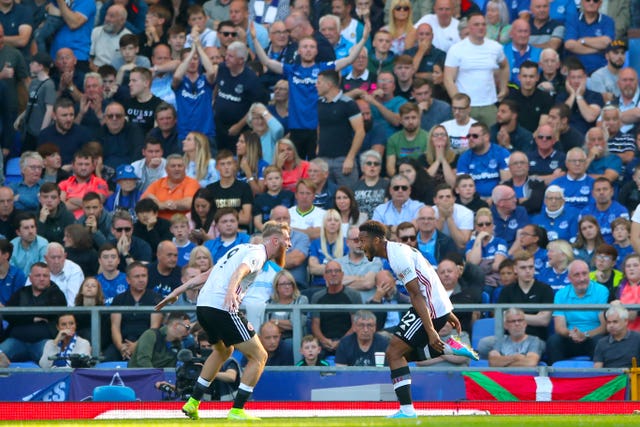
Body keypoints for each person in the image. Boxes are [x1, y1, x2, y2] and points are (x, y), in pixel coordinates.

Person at [154, 221, 291, 421]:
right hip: (222, 307)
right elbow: (241, 271)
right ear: (276, 240)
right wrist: (230, 292)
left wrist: (178, 291)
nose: (289, 244)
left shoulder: (239, 248)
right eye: (287, 240)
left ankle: (193, 402)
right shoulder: (258, 254)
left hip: (203, 307)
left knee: (224, 351)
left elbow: (209, 273)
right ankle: (237, 410)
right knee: (260, 356)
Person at [358, 220, 476, 418]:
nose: (360, 245)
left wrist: (432, 328)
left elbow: (416, 294)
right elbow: (430, 277)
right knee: (400, 354)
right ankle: (449, 348)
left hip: (428, 308)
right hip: (435, 307)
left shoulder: (398, 256)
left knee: (394, 353)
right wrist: (447, 311)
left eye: (362, 240)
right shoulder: (399, 251)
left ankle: (407, 410)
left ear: (377, 240)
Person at [444, 12, 509, 127]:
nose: (481, 27)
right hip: (468, 107)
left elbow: (504, 66)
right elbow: (448, 79)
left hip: (489, 105)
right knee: (465, 141)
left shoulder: (495, 47)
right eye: (476, 24)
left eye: (483, 24)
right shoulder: (456, 49)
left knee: (491, 140)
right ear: (469, 27)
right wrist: (459, 104)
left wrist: (503, 88)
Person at [0, 263, 67, 363]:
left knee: (54, 361)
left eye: (45, 276)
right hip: (17, 341)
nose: (41, 279)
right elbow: (9, 315)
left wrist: (23, 313)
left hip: (44, 342)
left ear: (49, 277)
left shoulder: (57, 294)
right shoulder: (21, 292)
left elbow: (52, 314)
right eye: (37, 275)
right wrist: (33, 318)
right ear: (30, 278)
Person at [547, 259, 608, 364]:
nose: (582, 279)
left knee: (599, 341)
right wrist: (571, 334)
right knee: (554, 341)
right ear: (569, 278)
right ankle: (557, 377)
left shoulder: (601, 291)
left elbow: (604, 327)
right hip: (571, 337)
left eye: (585, 274)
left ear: (589, 274)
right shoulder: (561, 294)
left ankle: (597, 377)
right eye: (577, 275)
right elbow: (559, 327)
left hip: (592, 337)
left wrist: (585, 335)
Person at [105, 262, 163, 362]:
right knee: (109, 357)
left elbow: (154, 327)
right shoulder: (119, 299)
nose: (141, 280)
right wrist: (121, 347)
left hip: (148, 342)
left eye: (144, 276)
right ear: (128, 280)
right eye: (137, 276)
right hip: (123, 343)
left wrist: (137, 345)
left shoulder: (156, 299)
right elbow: (115, 327)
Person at [456, 122, 511, 200]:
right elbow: (462, 186)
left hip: (498, 200)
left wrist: (493, 199)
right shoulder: (464, 157)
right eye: (468, 136)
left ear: (486, 137)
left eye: (475, 136)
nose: (470, 139)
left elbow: (506, 182)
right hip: (473, 200)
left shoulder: (501, 153)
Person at [141, 154, 200, 220]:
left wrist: (163, 204)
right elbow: (143, 202)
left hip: (183, 226)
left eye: (180, 166)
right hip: (159, 224)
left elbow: (189, 203)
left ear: (185, 168)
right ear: (166, 169)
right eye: (173, 166)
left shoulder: (192, 183)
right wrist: (161, 205)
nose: (177, 168)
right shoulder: (157, 183)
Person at [593, 302, 640, 368]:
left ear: (626, 321)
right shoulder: (601, 343)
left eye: (615, 322)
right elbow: (597, 370)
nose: (611, 325)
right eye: (609, 322)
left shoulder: (638, 339)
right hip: (610, 377)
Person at [266, 270, 308, 341]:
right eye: (283, 284)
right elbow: (266, 325)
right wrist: (285, 324)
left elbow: (297, 323)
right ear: (276, 287)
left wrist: (275, 322)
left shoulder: (301, 300)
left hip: (293, 339)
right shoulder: (270, 302)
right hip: (273, 339)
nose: (287, 287)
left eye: (289, 283)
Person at [353, 150, 389, 220]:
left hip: (381, 223)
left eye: (376, 164)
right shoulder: (355, 187)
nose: (372, 166)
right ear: (362, 167)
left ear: (380, 168)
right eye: (369, 163)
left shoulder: (387, 185)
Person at [10, 212, 48, 276]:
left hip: (37, 282)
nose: (31, 231)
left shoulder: (43, 244)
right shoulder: (12, 245)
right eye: (26, 228)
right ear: (18, 232)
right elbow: (11, 272)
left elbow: (43, 270)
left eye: (32, 227)